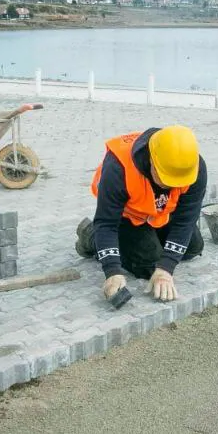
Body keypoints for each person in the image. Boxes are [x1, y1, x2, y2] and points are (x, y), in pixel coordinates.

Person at [75, 126, 207, 304]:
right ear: (152, 161)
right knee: (148, 266)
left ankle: (148, 242)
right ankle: (90, 235)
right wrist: (112, 271)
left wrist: (166, 269)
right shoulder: (118, 167)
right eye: (166, 179)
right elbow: (107, 224)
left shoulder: (193, 166)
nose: (171, 186)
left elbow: (186, 220)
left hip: (160, 212)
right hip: (127, 217)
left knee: (193, 248)